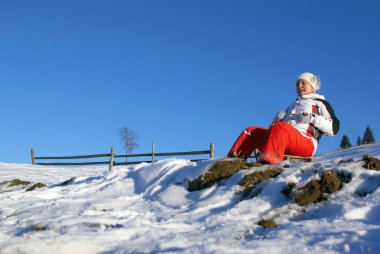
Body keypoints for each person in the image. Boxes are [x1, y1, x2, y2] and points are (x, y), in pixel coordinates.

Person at [227, 72, 340, 165]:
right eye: (297, 84)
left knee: (281, 127)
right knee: (251, 131)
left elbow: (334, 128)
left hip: (306, 143)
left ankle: (268, 164)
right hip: (284, 140)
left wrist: (312, 118)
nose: (299, 86)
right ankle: (232, 163)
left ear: (312, 86)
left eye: (303, 83)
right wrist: (275, 121)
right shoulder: (291, 106)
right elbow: (275, 131)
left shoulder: (320, 103)